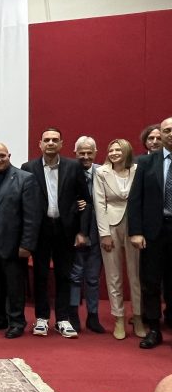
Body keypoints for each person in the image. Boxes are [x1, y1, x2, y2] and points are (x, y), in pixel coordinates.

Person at [21, 127, 91, 338]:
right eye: (47, 140)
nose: (50, 143)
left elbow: (85, 200)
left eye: (55, 140)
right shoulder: (28, 168)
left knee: (64, 275)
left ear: (61, 144)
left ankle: (62, 318)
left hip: (66, 230)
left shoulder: (74, 166)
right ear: (40, 144)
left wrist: (82, 231)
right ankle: (42, 318)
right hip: (40, 230)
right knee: (40, 275)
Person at [0, 143, 41, 339]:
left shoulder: (25, 178)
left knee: (14, 285)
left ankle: (16, 321)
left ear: (9, 156)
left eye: (2, 155)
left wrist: (27, 244)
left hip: (13, 242)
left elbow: (32, 216)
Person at [128, 116, 172, 349]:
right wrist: (135, 231)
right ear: (160, 135)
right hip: (154, 231)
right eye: (167, 130)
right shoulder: (145, 162)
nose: (170, 134)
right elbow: (136, 199)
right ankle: (154, 329)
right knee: (151, 281)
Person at [94, 138, 143, 340]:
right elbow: (99, 203)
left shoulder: (137, 170)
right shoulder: (101, 172)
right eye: (111, 150)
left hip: (135, 226)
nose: (114, 153)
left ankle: (138, 317)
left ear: (126, 152)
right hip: (111, 225)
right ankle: (119, 318)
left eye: (118, 150)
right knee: (113, 275)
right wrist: (104, 233)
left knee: (136, 274)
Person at [70, 137, 106, 334]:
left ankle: (93, 316)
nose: (85, 156)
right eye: (81, 153)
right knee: (75, 276)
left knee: (93, 277)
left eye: (89, 152)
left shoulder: (103, 172)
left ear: (95, 152)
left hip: (99, 232)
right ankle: (73, 315)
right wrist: (73, 205)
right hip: (74, 233)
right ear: (75, 153)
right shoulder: (68, 171)